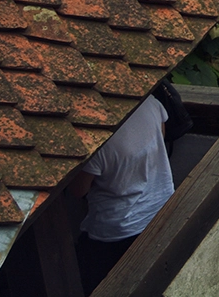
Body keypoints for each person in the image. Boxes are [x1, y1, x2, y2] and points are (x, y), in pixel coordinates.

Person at [71, 93, 176, 294]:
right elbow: (160, 137)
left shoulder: (98, 141)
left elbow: (78, 190)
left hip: (117, 228)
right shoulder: (149, 103)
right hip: (160, 207)